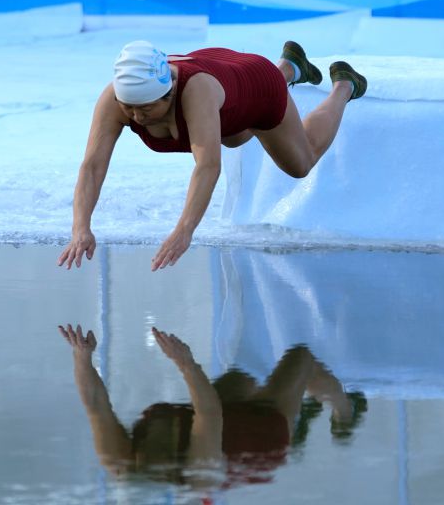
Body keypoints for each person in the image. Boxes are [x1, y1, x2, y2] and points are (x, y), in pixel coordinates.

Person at [57, 40, 367, 271]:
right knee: (234, 139)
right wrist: (80, 227)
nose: (137, 116)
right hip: (225, 80)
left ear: (170, 89)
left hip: (255, 84)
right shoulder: (114, 98)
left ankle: (343, 84)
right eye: (129, 107)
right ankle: (291, 66)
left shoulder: (196, 91)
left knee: (301, 162)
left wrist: (184, 230)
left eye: (147, 107)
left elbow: (207, 166)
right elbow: (93, 165)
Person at [57, 324, 366, 489]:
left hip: (213, 422)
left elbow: (96, 405)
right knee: (301, 360)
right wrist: (186, 363)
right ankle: (344, 411)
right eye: (157, 472)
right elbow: (210, 414)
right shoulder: (197, 474)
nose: (152, 465)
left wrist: (81, 357)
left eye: (147, 467)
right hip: (259, 440)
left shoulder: (117, 462)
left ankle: (301, 410)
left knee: (243, 374)